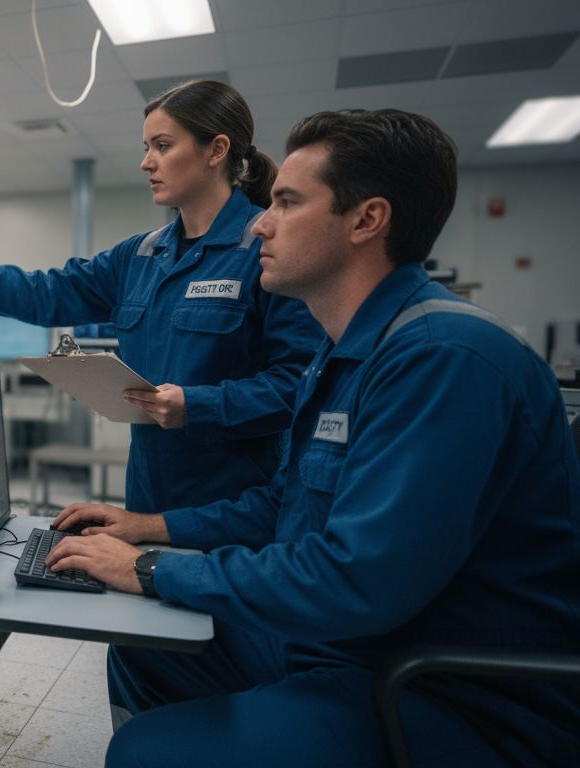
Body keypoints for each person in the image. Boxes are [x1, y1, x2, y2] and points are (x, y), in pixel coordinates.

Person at [46, 109, 580, 766]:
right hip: (346, 646)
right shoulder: (347, 355)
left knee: (144, 752)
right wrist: (144, 526)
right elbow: (281, 506)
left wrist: (152, 570)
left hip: (443, 692)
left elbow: (355, 577)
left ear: (366, 220)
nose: (261, 223)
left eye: (287, 203)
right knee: (144, 642)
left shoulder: (443, 359)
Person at [0, 80, 322, 517]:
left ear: (216, 150)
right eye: (146, 147)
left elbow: (301, 384)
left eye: (161, 146)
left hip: (232, 506)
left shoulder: (265, 250)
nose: (145, 163)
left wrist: (198, 406)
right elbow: (48, 293)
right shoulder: (138, 256)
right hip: (145, 495)